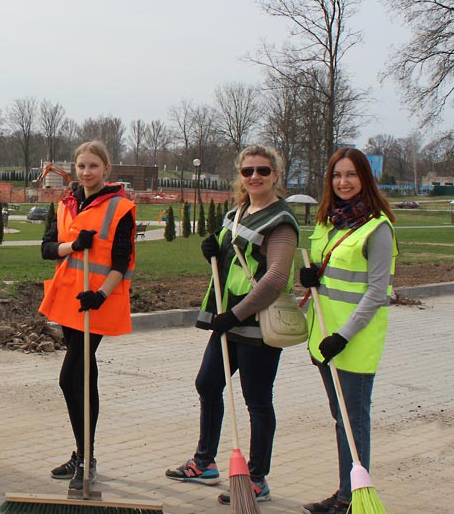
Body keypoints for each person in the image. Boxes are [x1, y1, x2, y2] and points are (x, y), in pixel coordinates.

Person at [166, 144, 299, 506]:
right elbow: (232, 265)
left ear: (276, 175)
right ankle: (205, 462)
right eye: (247, 171)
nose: (255, 177)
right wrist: (212, 252)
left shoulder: (281, 221)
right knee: (207, 384)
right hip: (227, 321)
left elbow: (275, 278)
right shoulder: (235, 213)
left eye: (263, 170)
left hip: (256, 325)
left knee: (257, 401)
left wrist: (236, 314)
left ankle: (256, 478)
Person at [298, 148, 397, 514]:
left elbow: (377, 291)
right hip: (324, 338)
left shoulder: (377, 228)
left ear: (365, 178)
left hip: (352, 341)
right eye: (337, 175)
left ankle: (352, 499)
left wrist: (344, 335)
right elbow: (329, 277)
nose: (343, 182)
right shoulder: (328, 223)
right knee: (341, 420)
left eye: (351, 174)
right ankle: (344, 494)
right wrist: (310, 278)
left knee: (353, 422)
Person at [39, 140, 136, 491]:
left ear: (106, 169)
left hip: (95, 303)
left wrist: (100, 295)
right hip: (68, 300)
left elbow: (121, 262)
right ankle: (83, 454)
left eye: (93, 166)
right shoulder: (65, 204)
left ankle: (86, 457)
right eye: (81, 166)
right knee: (84, 378)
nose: (86, 172)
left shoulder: (121, 208)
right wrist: (73, 246)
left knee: (70, 379)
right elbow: (47, 248)